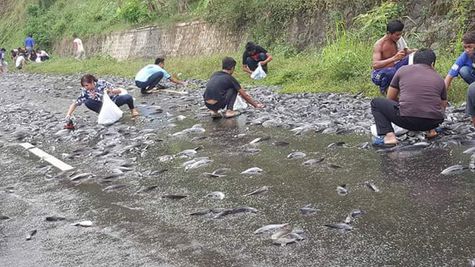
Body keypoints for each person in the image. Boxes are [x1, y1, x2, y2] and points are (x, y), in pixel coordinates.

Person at [370, 49, 447, 145]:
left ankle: (389, 137)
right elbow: (442, 106)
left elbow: (390, 97)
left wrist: (404, 104)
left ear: (413, 62)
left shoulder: (403, 70)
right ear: (432, 64)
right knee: (429, 105)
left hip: (407, 120)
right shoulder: (439, 78)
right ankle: (431, 131)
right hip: (433, 122)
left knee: (376, 103)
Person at [65, 74, 139, 121]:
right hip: (102, 106)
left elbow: (119, 91)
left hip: (113, 101)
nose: (85, 87)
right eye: (84, 86)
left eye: (87, 85)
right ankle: (105, 115)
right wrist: (68, 115)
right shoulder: (85, 91)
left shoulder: (102, 83)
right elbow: (75, 103)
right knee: (87, 102)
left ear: (92, 82)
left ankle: (133, 110)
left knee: (128, 97)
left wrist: (110, 91)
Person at [371, 20, 413, 94]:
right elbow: (375, 65)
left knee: (414, 57)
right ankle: (384, 89)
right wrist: (394, 58)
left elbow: (406, 51)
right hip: (379, 73)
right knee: (391, 72)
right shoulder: (379, 45)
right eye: (397, 35)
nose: (399, 37)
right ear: (389, 34)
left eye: (400, 34)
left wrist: (417, 52)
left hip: (395, 67)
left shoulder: (399, 39)